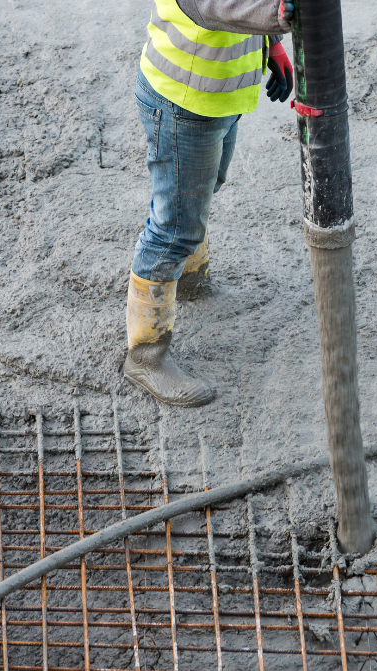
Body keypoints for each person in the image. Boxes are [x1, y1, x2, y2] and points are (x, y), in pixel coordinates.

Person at [124, 0, 296, 406]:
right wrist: (276, 16)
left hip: (217, 97)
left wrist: (270, 43)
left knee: (203, 190)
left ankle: (188, 279)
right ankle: (146, 356)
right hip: (184, 102)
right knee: (174, 229)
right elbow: (215, 4)